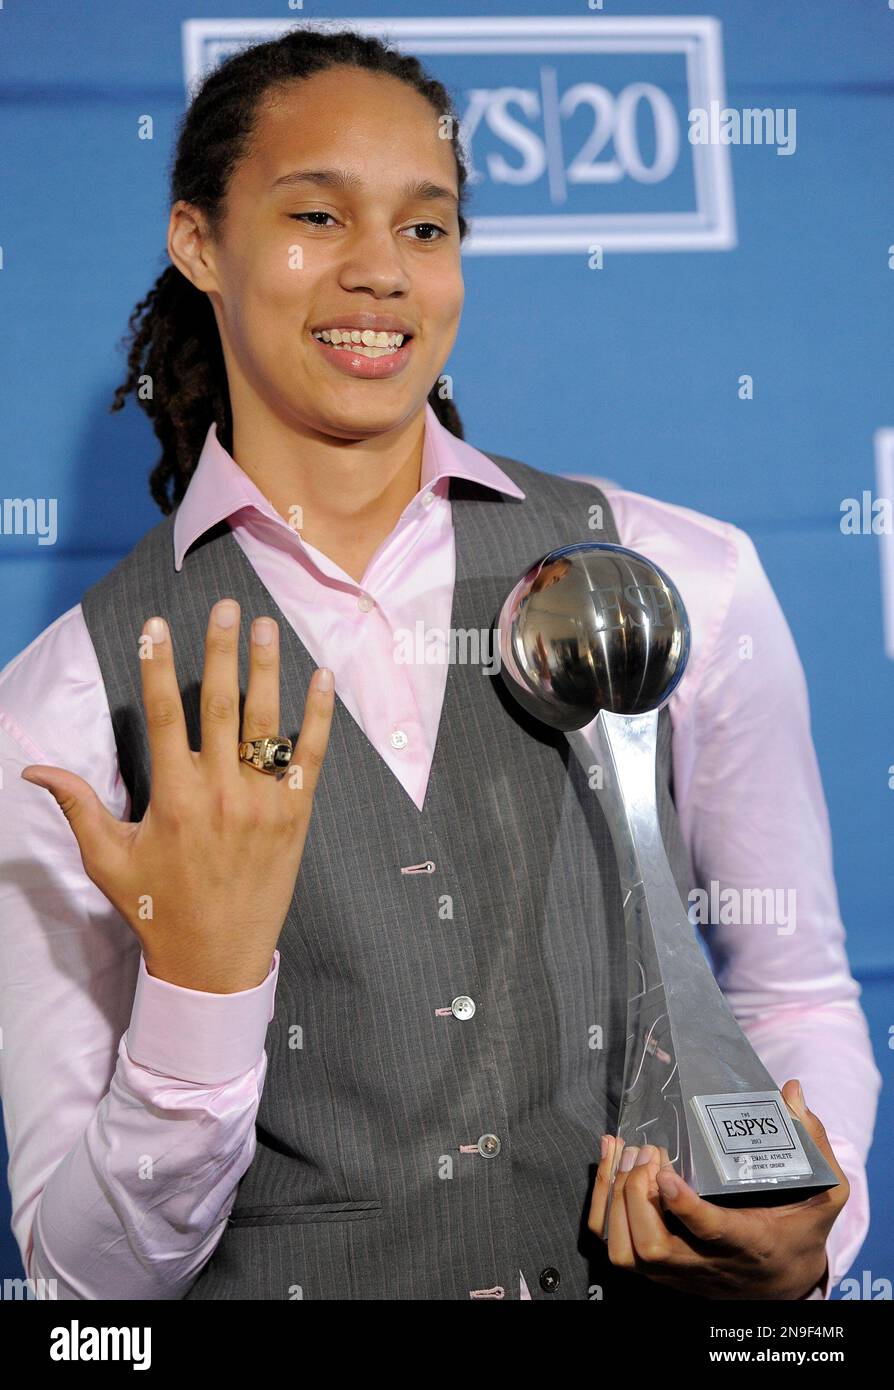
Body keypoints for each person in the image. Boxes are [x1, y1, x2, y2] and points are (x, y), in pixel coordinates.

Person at [0, 26, 880, 1302]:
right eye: (316, 214)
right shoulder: (61, 708)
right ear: (199, 243)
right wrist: (198, 990)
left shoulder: (674, 580)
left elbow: (791, 987)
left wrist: (810, 1217)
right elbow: (84, 1292)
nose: (380, 274)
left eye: (427, 228)